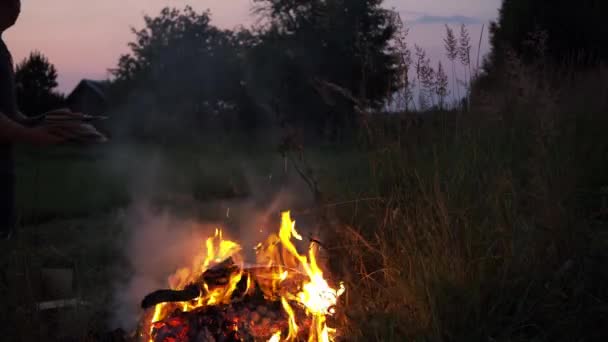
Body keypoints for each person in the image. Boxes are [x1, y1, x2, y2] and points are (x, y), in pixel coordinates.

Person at [1, 0, 80, 239]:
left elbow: (10, 114)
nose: (18, 9)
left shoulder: (2, 50)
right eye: (11, 3)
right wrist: (33, 135)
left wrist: (45, 121)